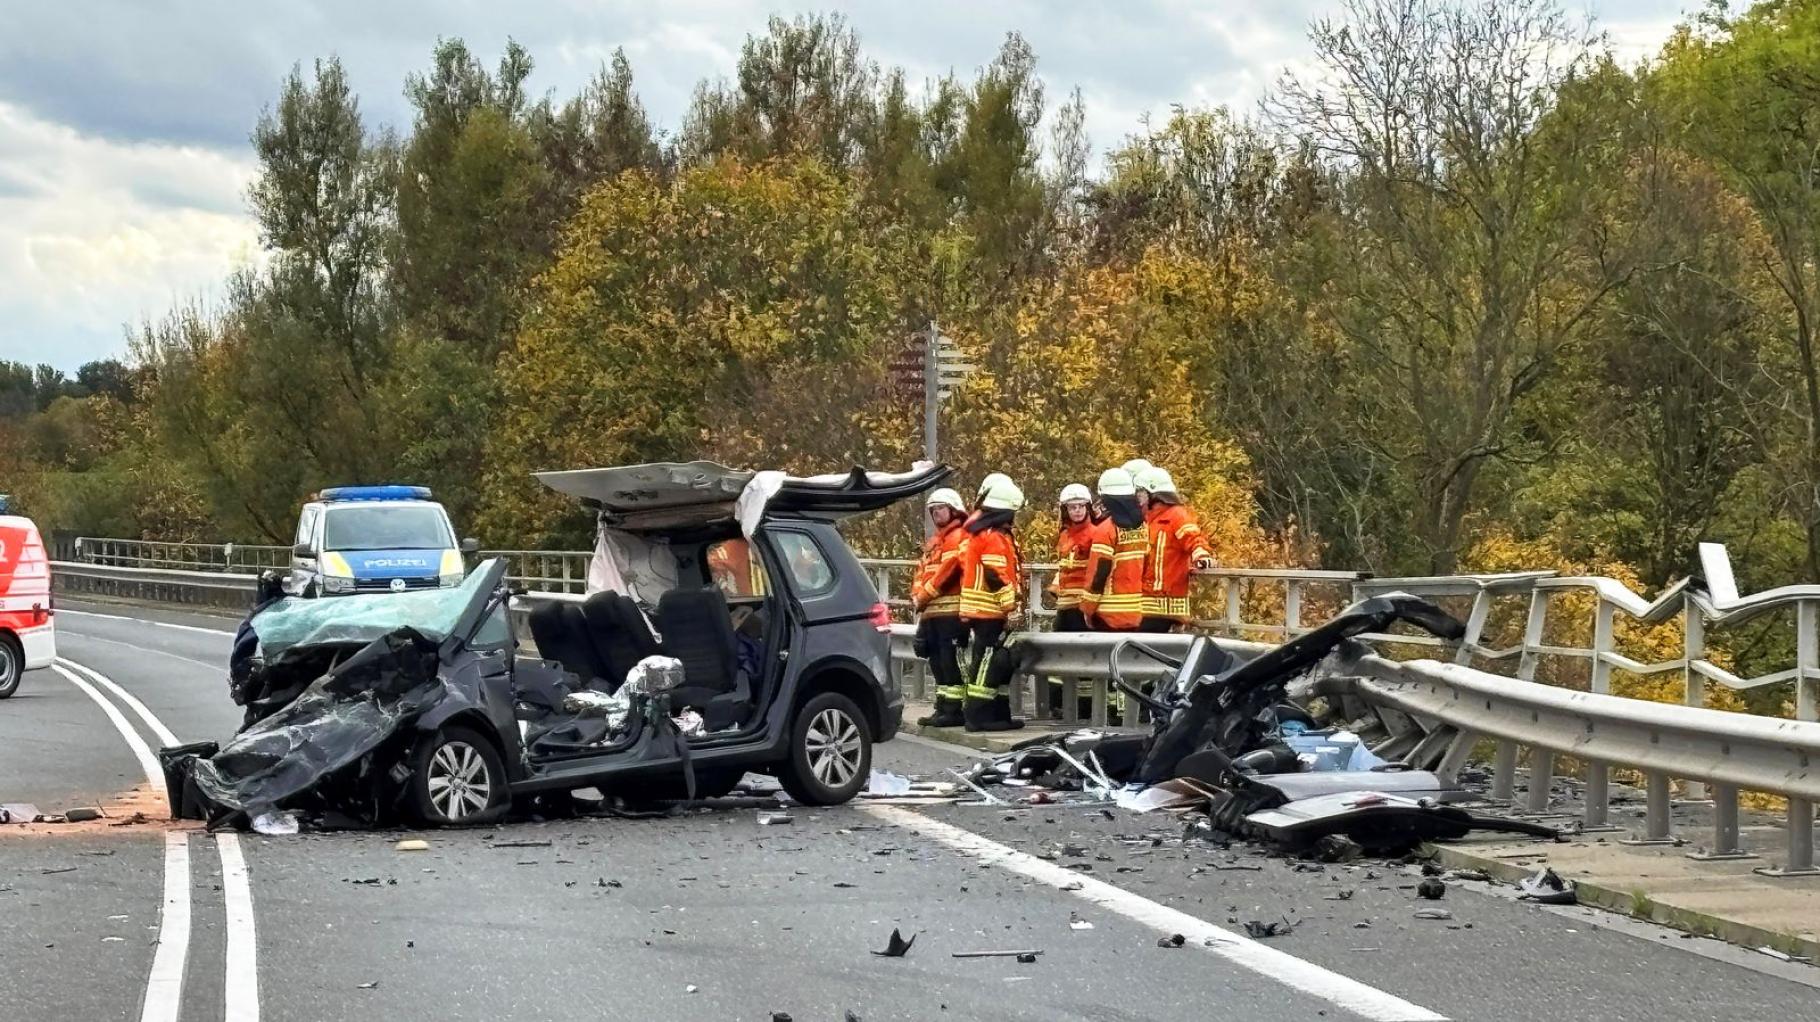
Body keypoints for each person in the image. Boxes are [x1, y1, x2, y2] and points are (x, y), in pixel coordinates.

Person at [959, 475, 1026, 732]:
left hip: (984, 610)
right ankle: (979, 717)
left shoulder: (986, 534)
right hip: (988, 611)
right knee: (988, 662)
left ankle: (999, 715)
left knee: (993, 662)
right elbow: (994, 575)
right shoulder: (993, 537)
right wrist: (1010, 607)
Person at [911, 487, 969, 727]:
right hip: (931, 612)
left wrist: (923, 595)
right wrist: (916, 594)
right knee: (936, 662)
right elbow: (921, 571)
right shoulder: (935, 542)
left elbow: (948, 572)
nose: (936, 514)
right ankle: (943, 708)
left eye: (941, 509)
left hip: (950, 613)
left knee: (949, 662)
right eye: (933, 510)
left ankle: (954, 710)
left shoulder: (958, 538)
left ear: (954, 510)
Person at [1134, 466, 1215, 633]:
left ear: (1153, 493)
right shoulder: (1148, 520)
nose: (1137, 496)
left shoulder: (1176, 515)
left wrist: (1201, 555)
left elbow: (1193, 537)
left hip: (1165, 603)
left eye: (1140, 491)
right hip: (1147, 601)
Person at [1048, 482, 1104, 715]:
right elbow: (1064, 568)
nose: (1078, 511)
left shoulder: (1095, 534)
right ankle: (1056, 704)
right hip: (1065, 605)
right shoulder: (1064, 535)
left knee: (1084, 660)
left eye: (1081, 506)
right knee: (1056, 657)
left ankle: (1083, 709)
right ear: (1065, 510)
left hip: (1083, 607)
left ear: (1088, 508)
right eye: (1072, 507)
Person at [1080, 468, 1148, 633]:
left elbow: (1098, 573)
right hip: (1141, 614)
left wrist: (1087, 608)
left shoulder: (1106, 530)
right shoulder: (1145, 527)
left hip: (1108, 617)